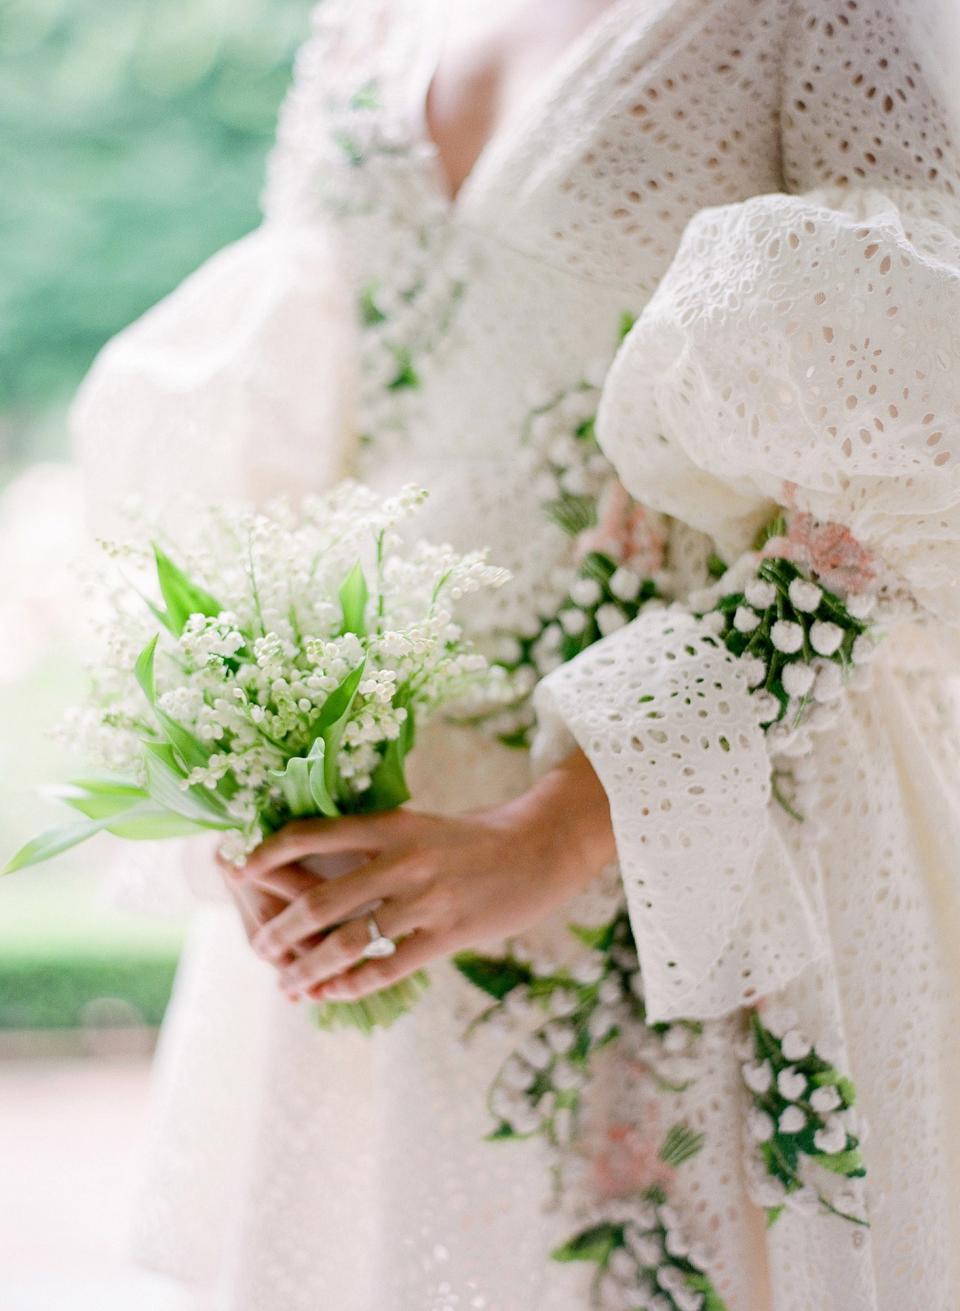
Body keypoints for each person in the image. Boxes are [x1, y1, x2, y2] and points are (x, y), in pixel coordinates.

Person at [71, 1, 960, 1307]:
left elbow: (925, 451)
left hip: (705, 846)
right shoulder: (358, 28)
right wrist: (265, 774)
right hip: (393, 839)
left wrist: (571, 824)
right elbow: (324, 426)